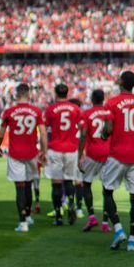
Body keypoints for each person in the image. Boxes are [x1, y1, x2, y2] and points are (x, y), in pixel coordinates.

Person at [101, 71, 134, 251]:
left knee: (107, 192)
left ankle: (118, 229)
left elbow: (108, 129)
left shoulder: (112, 102)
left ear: (121, 82)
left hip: (117, 155)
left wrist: (103, 134)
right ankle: (132, 240)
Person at [0, 83, 47, 232]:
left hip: (16, 154)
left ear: (16, 95)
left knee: (20, 188)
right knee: (29, 185)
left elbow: (1, 133)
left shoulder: (9, 112)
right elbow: (43, 133)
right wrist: (44, 151)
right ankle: (29, 217)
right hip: (32, 153)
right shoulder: (36, 111)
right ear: (29, 94)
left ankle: (23, 222)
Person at [44, 84, 82, 226]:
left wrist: (43, 149)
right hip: (72, 149)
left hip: (55, 149)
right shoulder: (76, 109)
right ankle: (71, 203)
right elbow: (83, 129)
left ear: (55, 93)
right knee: (69, 181)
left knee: (56, 184)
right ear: (67, 93)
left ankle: (58, 216)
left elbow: (44, 129)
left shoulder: (50, 109)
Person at [78, 89, 113, 233]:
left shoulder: (86, 113)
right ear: (103, 99)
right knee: (107, 189)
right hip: (108, 154)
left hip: (93, 153)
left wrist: (80, 154)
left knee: (86, 184)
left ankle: (92, 216)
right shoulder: (109, 113)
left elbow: (84, 135)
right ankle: (105, 222)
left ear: (92, 99)